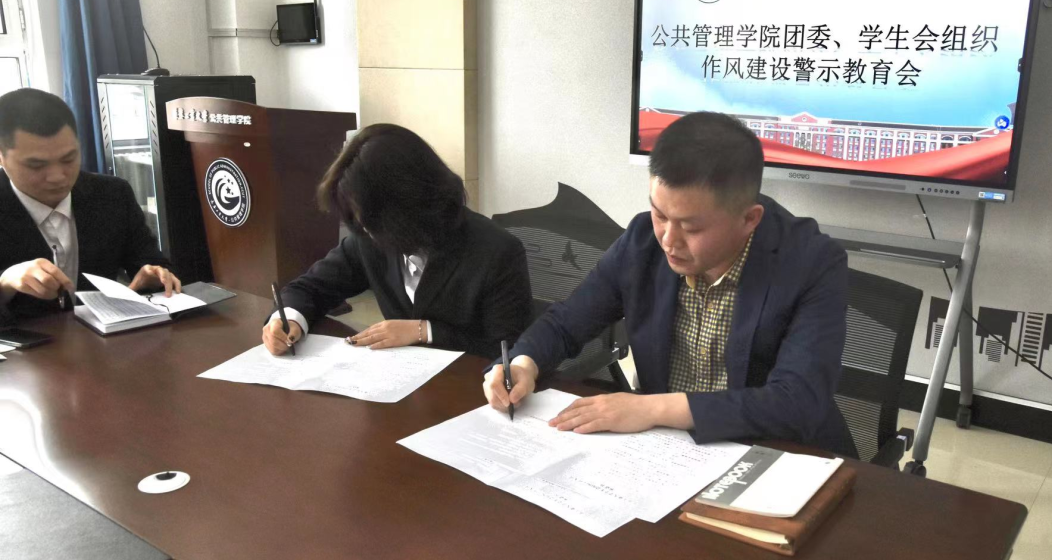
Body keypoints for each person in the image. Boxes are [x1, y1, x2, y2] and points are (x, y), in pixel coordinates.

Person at [483, 111, 857, 457]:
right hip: (669, 453)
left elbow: (797, 402)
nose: (668, 240)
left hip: (776, 455)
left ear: (749, 219)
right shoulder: (642, 241)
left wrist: (654, 408)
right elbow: (566, 323)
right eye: (660, 214)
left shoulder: (811, 262)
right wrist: (523, 363)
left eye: (691, 227)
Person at [262, 124, 532, 359]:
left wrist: (424, 331)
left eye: (371, 219)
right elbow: (310, 288)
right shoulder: (367, 236)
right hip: (399, 383)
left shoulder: (496, 251)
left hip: (468, 388)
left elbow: (508, 350)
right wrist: (288, 319)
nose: (365, 230)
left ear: (408, 205)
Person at [0, 88, 180, 324]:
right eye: (36, 165)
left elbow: (152, 263)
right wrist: (6, 282)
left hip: (105, 338)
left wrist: (155, 275)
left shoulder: (112, 194)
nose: (57, 176)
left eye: (68, 159)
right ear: (2, 157)